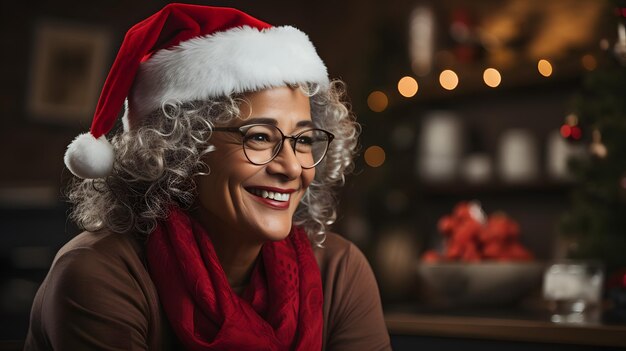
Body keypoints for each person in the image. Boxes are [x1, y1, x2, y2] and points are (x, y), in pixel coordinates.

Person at [24, 3, 391, 351]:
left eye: (305, 140)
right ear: (180, 148)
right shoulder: (98, 274)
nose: (292, 167)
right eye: (260, 137)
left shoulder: (338, 271)